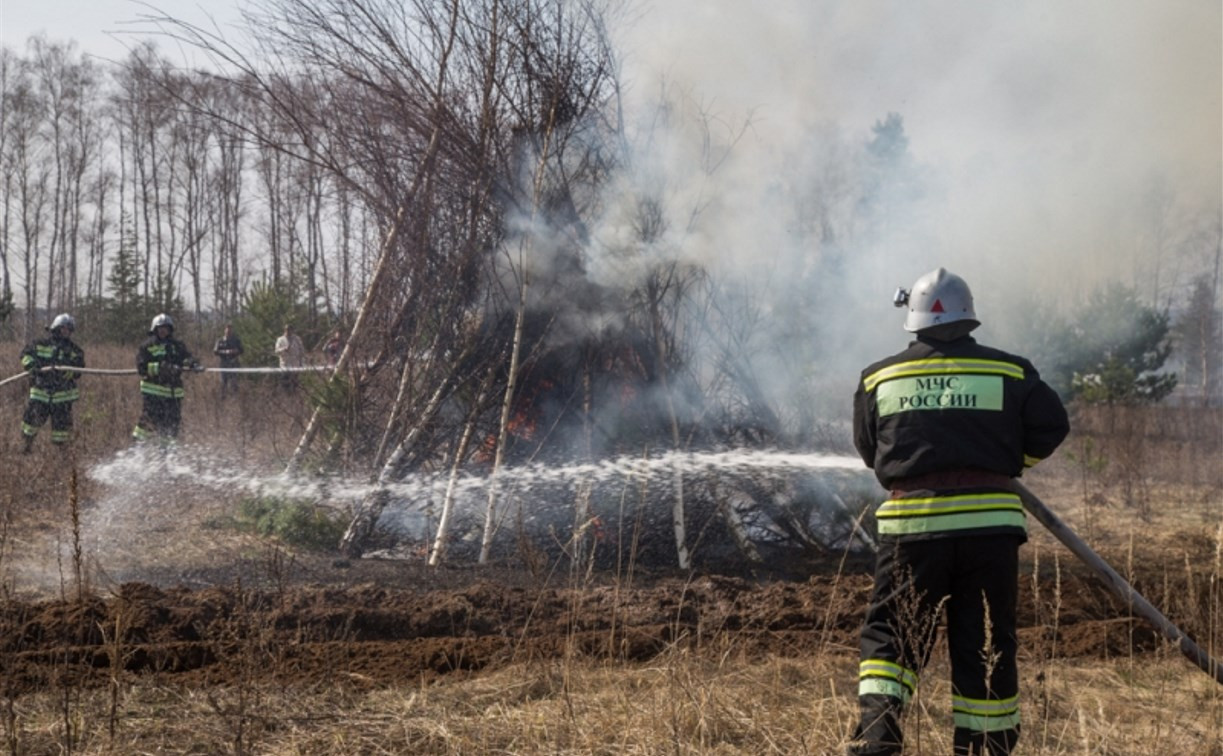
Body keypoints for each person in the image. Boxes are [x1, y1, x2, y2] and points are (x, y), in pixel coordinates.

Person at [848, 267, 1070, 756]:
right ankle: (985, 747)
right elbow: (1053, 426)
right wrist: (1006, 466)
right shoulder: (1011, 372)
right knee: (985, 642)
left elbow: (871, 451)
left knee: (893, 635)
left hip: (913, 530)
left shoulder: (879, 376)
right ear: (969, 320)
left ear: (914, 319)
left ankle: (879, 738)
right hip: (990, 531)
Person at [19, 313, 85, 453]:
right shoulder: (39, 344)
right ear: (56, 328)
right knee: (31, 423)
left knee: (62, 431)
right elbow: (25, 355)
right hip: (40, 393)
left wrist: (66, 372)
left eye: (69, 330)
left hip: (62, 397)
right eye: (64, 329)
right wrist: (32, 366)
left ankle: (61, 457)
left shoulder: (75, 350)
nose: (67, 332)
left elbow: (78, 369)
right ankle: (25, 447)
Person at [133, 313, 201, 444]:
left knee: (171, 427)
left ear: (170, 329)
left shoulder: (177, 346)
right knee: (147, 423)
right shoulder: (147, 346)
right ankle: (136, 449)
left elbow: (186, 357)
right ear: (155, 329)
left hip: (173, 395)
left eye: (166, 328)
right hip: (154, 394)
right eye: (160, 328)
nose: (163, 330)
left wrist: (193, 363)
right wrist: (161, 368)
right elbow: (141, 368)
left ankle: (167, 456)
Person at [213, 323, 244, 399]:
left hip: (234, 363)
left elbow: (242, 350)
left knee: (234, 382)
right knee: (223, 382)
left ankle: (235, 399)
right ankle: (222, 398)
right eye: (227, 330)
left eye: (230, 330)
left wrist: (236, 351)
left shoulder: (236, 340)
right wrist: (225, 352)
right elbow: (215, 351)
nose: (229, 332)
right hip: (224, 363)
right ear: (224, 331)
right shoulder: (220, 341)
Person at [274, 323, 306, 391]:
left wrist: (302, 364)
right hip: (285, 366)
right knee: (285, 385)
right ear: (284, 330)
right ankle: (286, 399)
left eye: (290, 330)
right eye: (287, 330)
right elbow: (276, 351)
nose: (289, 331)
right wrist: (284, 349)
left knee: (295, 385)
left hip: (295, 366)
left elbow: (302, 352)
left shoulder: (297, 339)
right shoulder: (280, 339)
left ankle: (294, 399)